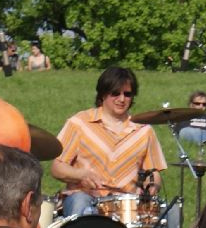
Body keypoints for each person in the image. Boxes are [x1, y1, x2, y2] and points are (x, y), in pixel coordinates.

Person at [52, 66, 168, 218]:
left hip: (128, 205)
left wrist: (152, 185)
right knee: (80, 202)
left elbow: (154, 173)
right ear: (102, 94)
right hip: (86, 197)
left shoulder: (144, 130)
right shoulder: (79, 123)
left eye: (127, 94)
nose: (122, 99)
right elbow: (57, 167)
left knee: (169, 213)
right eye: (115, 93)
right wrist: (81, 175)